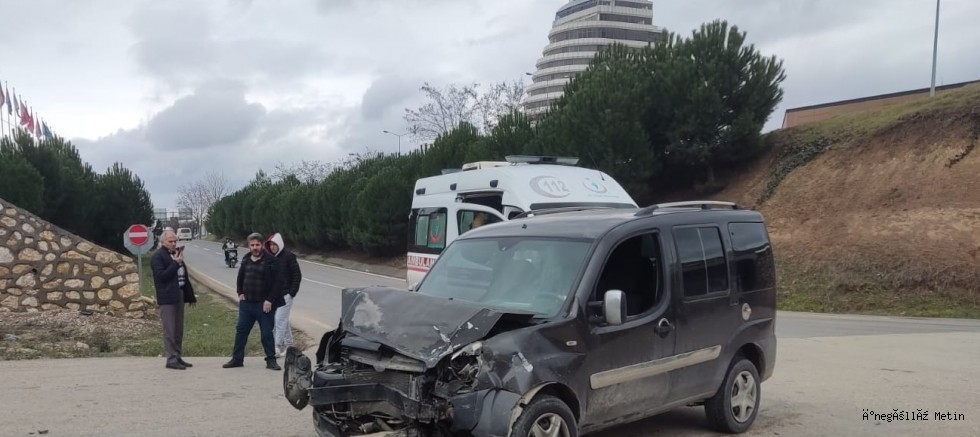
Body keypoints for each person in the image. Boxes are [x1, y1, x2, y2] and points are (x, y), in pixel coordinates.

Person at [223, 232, 285, 370]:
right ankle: (237, 359)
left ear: (262, 245)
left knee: (266, 334)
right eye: (252, 245)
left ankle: (271, 360)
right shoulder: (246, 259)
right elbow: (240, 277)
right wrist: (240, 292)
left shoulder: (272, 261)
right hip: (247, 305)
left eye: (257, 244)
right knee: (241, 331)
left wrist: (270, 300)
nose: (255, 247)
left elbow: (278, 283)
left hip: (264, 305)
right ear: (249, 246)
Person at [150, 230, 197, 370]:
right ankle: (170, 359)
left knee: (178, 329)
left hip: (179, 294)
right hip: (167, 297)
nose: (173, 244)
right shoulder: (158, 257)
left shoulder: (177, 254)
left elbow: (184, 277)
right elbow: (161, 276)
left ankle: (177, 356)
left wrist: (190, 296)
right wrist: (176, 263)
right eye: (170, 241)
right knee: (170, 330)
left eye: (175, 241)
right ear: (162, 242)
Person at [265, 232, 302, 356]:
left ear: (279, 244)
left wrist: (292, 293)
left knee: (279, 320)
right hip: (275, 296)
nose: (272, 247)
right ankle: (289, 345)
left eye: (274, 244)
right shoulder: (270, 257)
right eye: (270, 245)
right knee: (283, 320)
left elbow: (297, 275)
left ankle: (276, 347)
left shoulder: (289, 257)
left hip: (286, 295)